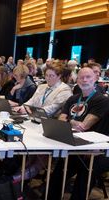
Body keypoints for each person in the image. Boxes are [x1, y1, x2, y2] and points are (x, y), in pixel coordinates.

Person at [48, 67, 109, 200]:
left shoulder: (102, 100)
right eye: (81, 77)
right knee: (57, 175)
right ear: (77, 80)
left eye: (88, 77)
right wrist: (72, 122)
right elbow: (61, 120)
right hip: (74, 145)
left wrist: (69, 121)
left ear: (96, 79)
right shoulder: (73, 99)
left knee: (84, 178)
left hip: (96, 151)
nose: (85, 80)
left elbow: (83, 126)